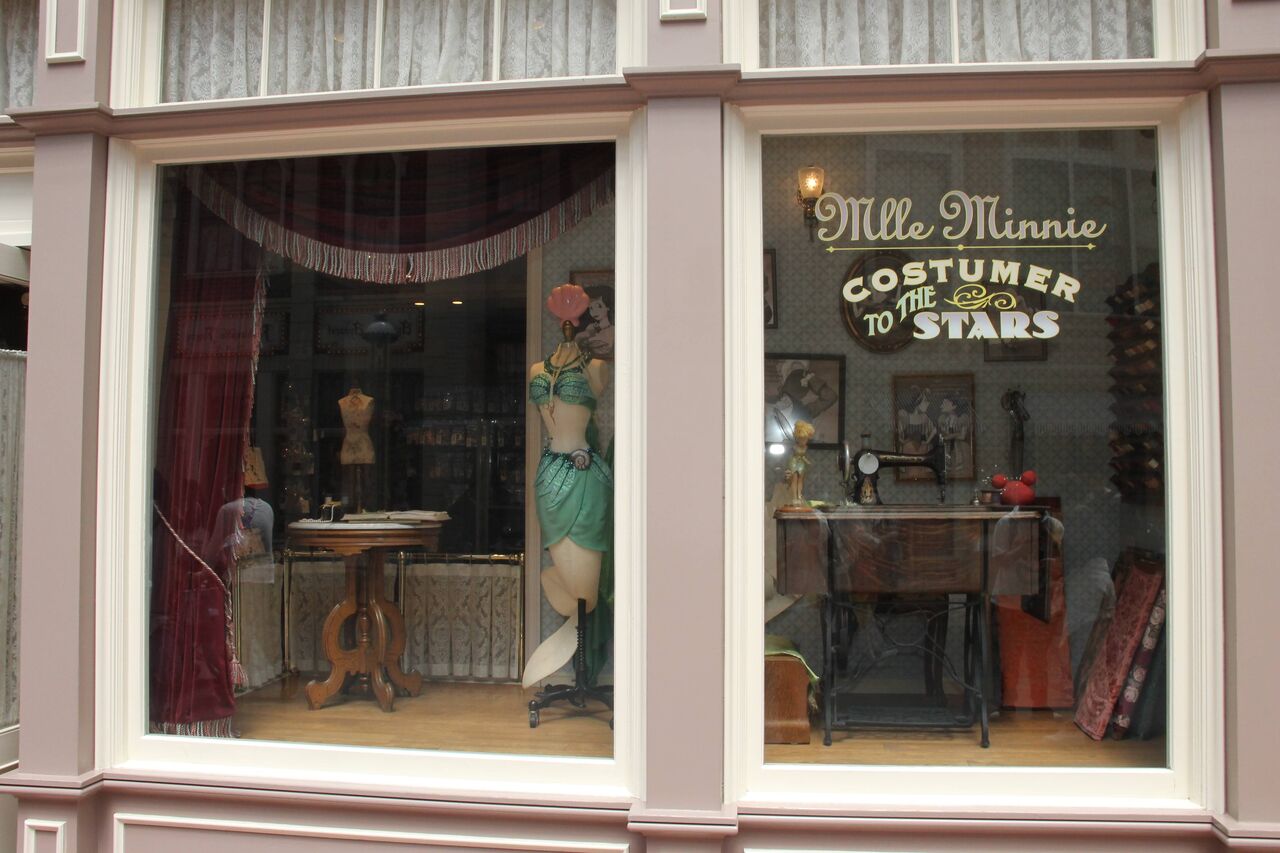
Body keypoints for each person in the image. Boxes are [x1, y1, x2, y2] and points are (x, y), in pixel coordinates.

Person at [523, 303, 612, 688]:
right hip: (549, 477)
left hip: (585, 476)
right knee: (563, 568)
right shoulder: (536, 370)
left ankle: (578, 656)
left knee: (584, 585)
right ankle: (571, 659)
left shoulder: (596, 368)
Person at [767, 359, 837, 443]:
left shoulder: (805, 412)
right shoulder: (766, 401)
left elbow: (830, 396)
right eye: (793, 375)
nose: (797, 381)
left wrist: (810, 378)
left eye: (800, 376)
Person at [573, 286, 615, 360]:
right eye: (591, 308)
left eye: (598, 306)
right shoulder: (590, 327)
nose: (594, 311)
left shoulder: (613, 329)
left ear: (607, 306)